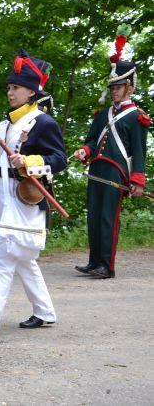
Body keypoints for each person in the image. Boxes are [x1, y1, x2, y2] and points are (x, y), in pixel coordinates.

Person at [0, 50, 67, 338]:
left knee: (3, 258)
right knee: (22, 258)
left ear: (31, 91)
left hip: (25, 199)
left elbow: (60, 159)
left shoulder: (43, 123)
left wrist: (30, 162)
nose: (10, 92)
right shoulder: (5, 124)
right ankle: (45, 311)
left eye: (15, 87)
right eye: (9, 87)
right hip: (3, 197)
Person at [73, 34, 149, 279]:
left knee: (108, 218)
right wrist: (85, 151)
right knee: (94, 216)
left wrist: (137, 180)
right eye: (113, 87)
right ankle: (94, 261)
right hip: (97, 170)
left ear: (130, 87)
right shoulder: (102, 114)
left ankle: (107, 265)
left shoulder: (137, 116)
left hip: (116, 171)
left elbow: (139, 150)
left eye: (119, 87)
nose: (114, 91)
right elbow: (92, 140)